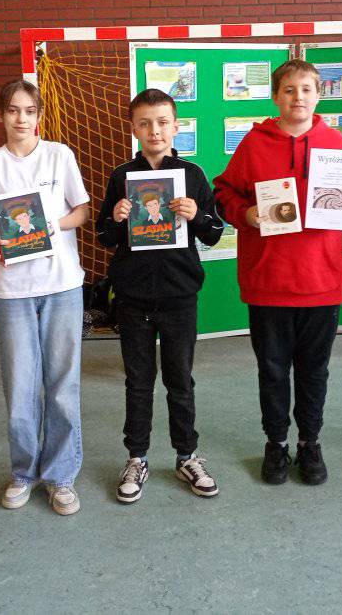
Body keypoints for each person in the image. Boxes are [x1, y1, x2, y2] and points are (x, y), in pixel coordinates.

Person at [213, 59, 342, 486]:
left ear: (319, 95)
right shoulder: (254, 143)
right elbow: (223, 191)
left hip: (321, 282)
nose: (297, 97)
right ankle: (276, 442)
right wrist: (245, 214)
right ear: (275, 97)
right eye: (288, 89)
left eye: (306, 89)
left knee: (314, 372)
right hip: (267, 281)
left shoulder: (335, 142)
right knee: (271, 371)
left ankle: (309, 442)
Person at [0, 80, 90, 516]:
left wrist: (53, 225)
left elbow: (82, 212)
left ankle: (60, 475)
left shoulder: (59, 155)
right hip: (13, 290)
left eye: (30, 111)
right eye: (14, 110)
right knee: (20, 387)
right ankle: (23, 472)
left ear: (39, 115)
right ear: (0, 115)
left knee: (62, 386)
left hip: (62, 286)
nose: (22, 119)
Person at [96, 88, 224, 504]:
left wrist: (197, 215)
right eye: (145, 123)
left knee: (180, 379)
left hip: (179, 295)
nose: (155, 130)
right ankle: (137, 457)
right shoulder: (122, 176)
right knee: (138, 381)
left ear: (176, 126)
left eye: (163, 122)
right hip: (133, 297)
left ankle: (187, 456)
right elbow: (103, 236)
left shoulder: (192, 175)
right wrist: (117, 218)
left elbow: (214, 232)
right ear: (134, 128)